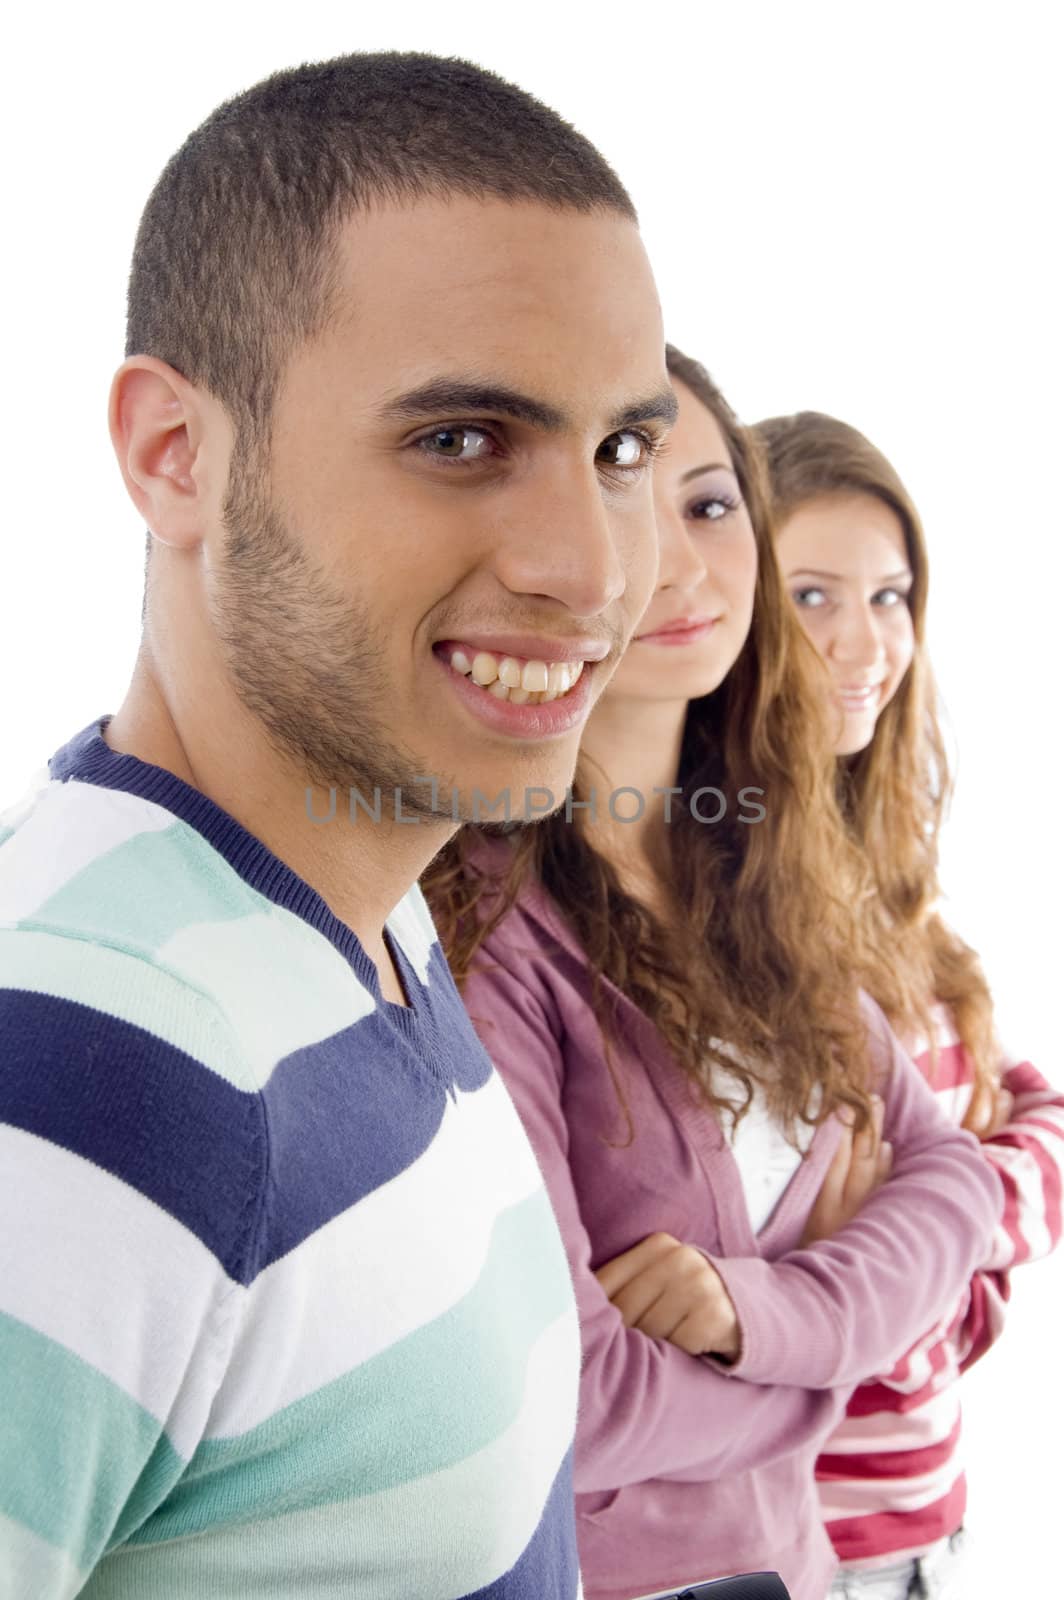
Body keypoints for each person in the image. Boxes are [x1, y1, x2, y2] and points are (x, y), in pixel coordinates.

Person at [0, 51, 680, 1599]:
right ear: (176, 454)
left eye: (622, 449)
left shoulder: (375, 917)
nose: (593, 570)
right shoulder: (77, 1082)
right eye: (459, 441)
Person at [421, 346, 1003, 1600]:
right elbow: (572, 1397)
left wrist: (760, 1317)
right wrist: (831, 1367)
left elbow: (954, 1180)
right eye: (632, 496)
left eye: (711, 502)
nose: (686, 563)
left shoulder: (750, 863)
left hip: (792, 1565)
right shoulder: (486, 922)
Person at [758, 409, 1064, 1599]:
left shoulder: (874, 875)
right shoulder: (707, 893)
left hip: (926, 1534)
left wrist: (937, 1243)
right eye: (814, 595)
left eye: (888, 596)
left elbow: (1031, 1107)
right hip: (790, 1553)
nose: (864, 641)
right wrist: (913, 1253)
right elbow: (759, 1281)